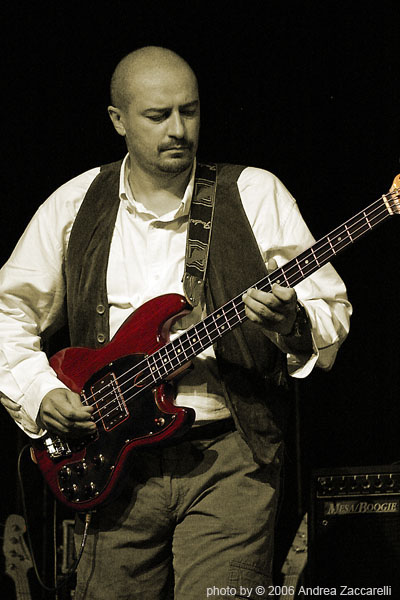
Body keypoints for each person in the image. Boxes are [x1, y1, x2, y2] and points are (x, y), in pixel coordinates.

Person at [0, 46, 351, 599]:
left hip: (229, 458)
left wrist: (293, 324)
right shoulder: (74, 204)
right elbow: (7, 311)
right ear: (118, 120)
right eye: (157, 115)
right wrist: (39, 391)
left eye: (189, 111)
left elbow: (330, 308)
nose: (179, 130)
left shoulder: (254, 193)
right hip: (111, 466)